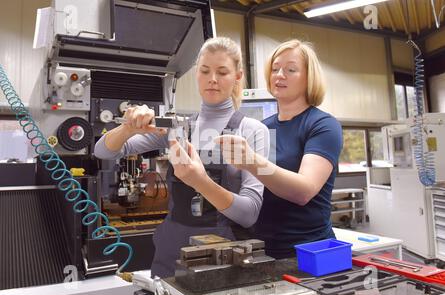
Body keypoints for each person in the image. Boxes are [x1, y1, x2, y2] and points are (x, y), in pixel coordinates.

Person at [94, 37, 270, 278]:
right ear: (197, 73)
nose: (213, 79)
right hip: (171, 251)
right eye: (205, 71)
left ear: (238, 77)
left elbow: (249, 213)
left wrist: (199, 181)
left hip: (224, 254)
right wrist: (128, 127)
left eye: (222, 72)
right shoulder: (178, 128)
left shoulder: (252, 130)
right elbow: (102, 151)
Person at [215, 39, 343, 259]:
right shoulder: (264, 127)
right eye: (275, 69)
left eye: (290, 70)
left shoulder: (322, 125)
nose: (279, 75)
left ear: (309, 78)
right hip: (263, 250)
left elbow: (303, 191)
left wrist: (251, 161)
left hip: (310, 251)